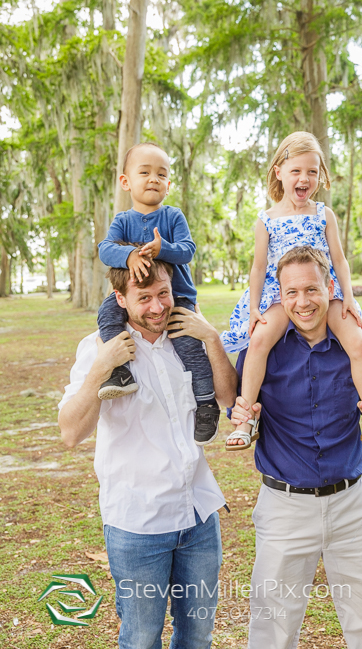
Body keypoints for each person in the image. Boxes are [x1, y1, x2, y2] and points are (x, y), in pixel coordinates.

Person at [230, 246, 362, 649]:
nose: (303, 302)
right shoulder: (260, 353)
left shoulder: (361, 346)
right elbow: (240, 411)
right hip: (285, 507)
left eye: (311, 289)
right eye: (291, 292)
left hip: (351, 506)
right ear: (280, 294)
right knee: (272, 626)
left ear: (330, 287)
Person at [58, 257, 238, 649]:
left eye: (163, 294)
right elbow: (71, 433)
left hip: (198, 515)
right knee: (141, 639)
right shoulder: (97, 348)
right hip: (137, 525)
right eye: (144, 298)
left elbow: (227, 397)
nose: (157, 308)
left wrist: (212, 339)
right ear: (119, 298)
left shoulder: (188, 338)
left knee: (197, 634)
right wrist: (99, 370)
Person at [222, 131, 362, 452]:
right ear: (279, 172)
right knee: (259, 341)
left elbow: (340, 260)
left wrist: (347, 296)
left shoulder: (323, 215)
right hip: (281, 296)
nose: (304, 178)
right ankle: (246, 418)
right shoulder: (267, 220)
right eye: (296, 171)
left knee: (358, 343)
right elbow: (258, 267)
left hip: (325, 293)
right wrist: (253, 308)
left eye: (312, 171)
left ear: (320, 176)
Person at [97, 141, 220, 446]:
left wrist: (163, 248)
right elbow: (105, 249)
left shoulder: (173, 216)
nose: (153, 179)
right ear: (126, 181)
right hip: (135, 297)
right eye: (145, 172)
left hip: (175, 297)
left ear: (168, 185)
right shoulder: (122, 221)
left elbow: (188, 250)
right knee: (107, 315)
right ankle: (121, 374)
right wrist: (129, 257)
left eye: (161, 174)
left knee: (189, 347)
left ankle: (206, 403)